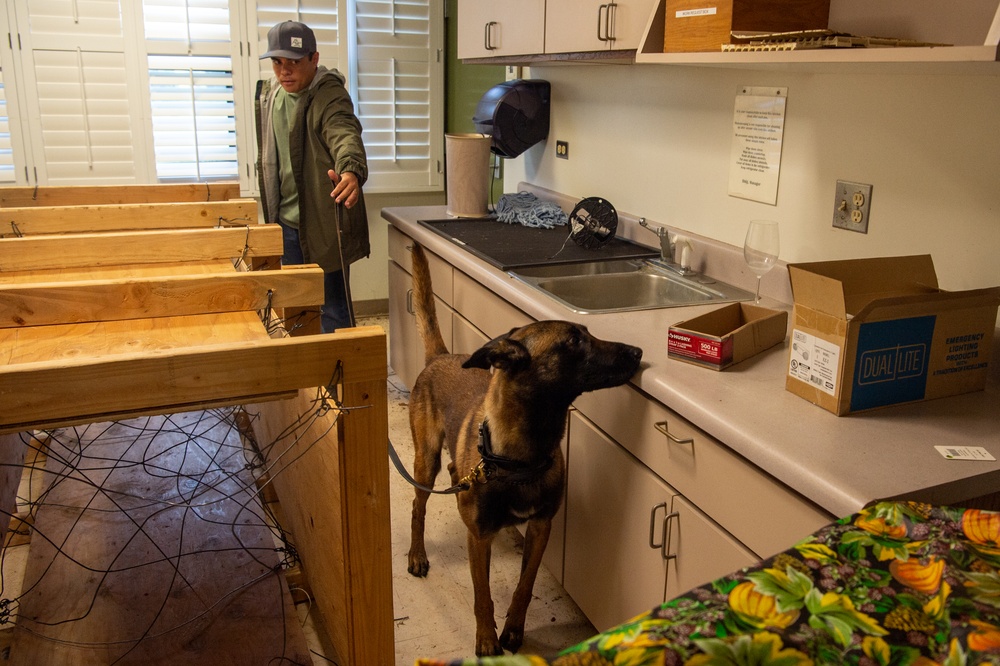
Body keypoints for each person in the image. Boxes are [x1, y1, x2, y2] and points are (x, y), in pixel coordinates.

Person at [255, 20, 370, 333]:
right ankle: (309, 378)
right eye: (278, 62)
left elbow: (344, 131)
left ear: (314, 59)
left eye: (294, 62)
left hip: (323, 223)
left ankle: (338, 381)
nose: (285, 71)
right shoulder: (271, 96)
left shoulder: (329, 96)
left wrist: (350, 170)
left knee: (334, 308)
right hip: (286, 224)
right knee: (297, 308)